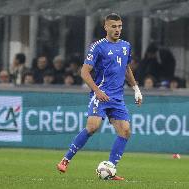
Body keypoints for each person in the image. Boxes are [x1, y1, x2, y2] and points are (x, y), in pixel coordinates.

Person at [57, 13, 143, 180]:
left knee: (125, 131)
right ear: (106, 27)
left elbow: (126, 68)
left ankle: (110, 169)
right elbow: (84, 71)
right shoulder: (98, 47)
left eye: (119, 26)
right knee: (93, 126)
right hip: (101, 94)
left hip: (117, 97)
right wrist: (97, 91)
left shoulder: (126, 46)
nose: (117, 29)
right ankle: (65, 160)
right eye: (113, 26)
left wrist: (136, 88)